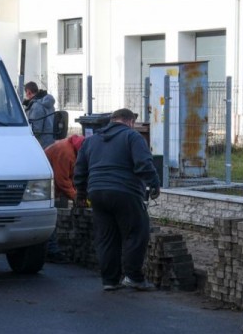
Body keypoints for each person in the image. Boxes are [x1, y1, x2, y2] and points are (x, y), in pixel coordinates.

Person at [73, 108, 161, 291]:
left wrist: (81, 193)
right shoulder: (132, 136)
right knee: (136, 233)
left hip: (97, 193)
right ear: (130, 121)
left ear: (112, 121)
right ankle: (134, 277)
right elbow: (143, 163)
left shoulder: (91, 141)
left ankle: (110, 281)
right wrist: (154, 183)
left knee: (107, 237)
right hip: (125, 192)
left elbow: (80, 169)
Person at [44, 134, 84, 262]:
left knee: (50, 220)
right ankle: (52, 252)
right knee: (49, 220)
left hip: (47, 189)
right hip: (44, 190)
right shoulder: (66, 152)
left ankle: (50, 250)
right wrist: (75, 197)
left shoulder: (72, 149)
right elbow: (62, 180)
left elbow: (71, 176)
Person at [22, 81, 56, 148]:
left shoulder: (36, 107)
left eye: (26, 93)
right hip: (50, 143)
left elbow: (35, 130)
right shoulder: (48, 104)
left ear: (28, 92)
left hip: (40, 145)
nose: (26, 96)